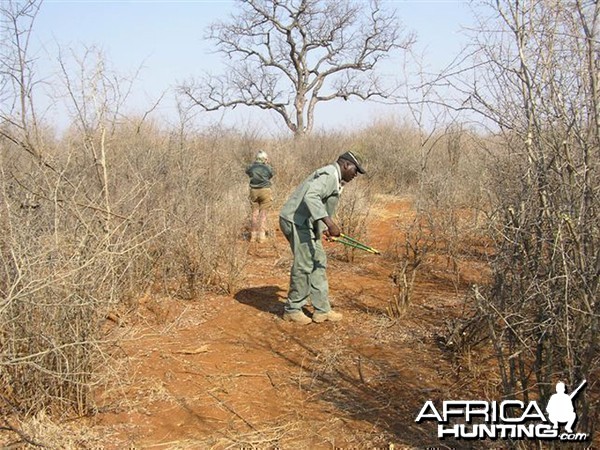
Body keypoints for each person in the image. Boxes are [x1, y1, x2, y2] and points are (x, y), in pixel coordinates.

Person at [279, 151, 366, 324]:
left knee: (318, 261)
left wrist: (324, 227)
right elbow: (311, 196)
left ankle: (322, 310)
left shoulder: (335, 178)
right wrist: (330, 224)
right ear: (346, 165)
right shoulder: (328, 174)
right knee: (304, 264)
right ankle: (293, 309)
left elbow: (318, 205)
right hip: (296, 221)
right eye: (355, 170)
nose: (356, 175)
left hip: (306, 223)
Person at [246, 150, 275, 242]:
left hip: (253, 191)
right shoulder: (268, 168)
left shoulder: (251, 167)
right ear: (265, 159)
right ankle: (261, 237)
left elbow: (248, 172)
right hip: (265, 191)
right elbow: (271, 175)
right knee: (263, 214)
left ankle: (253, 236)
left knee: (254, 213)